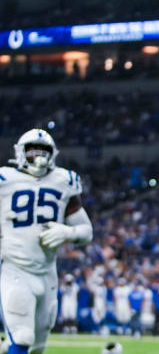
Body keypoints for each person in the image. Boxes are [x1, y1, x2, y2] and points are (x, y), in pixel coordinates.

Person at [0, 128, 93, 354]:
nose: (39, 157)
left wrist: (67, 232)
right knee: (22, 336)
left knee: (38, 347)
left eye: (44, 151)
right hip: (15, 268)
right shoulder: (4, 179)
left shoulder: (64, 181)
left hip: (48, 273)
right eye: (33, 151)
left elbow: (86, 231)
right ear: (20, 153)